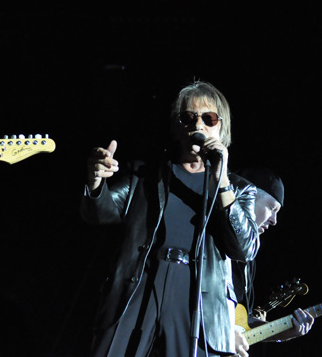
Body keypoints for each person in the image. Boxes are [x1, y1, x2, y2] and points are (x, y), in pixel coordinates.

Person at [80, 80, 260, 357]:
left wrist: (221, 181)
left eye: (209, 118)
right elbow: (99, 212)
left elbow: (244, 248)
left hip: (198, 293)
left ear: (221, 127)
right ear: (177, 127)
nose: (198, 125)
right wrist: (95, 181)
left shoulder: (238, 188)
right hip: (141, 281)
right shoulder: (145, 174)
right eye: (188, 117)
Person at [231, 167, 314, 357]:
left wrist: (288, 332)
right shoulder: (210, 243)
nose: (274, 220)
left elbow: (244, 324)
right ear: (248, 196)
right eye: (271, 208)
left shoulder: (248, 258)